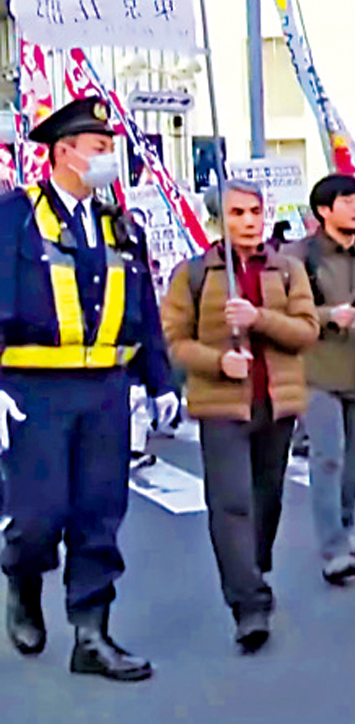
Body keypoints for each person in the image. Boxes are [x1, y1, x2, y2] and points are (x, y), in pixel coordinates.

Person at [0, 97, 176, 681]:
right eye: (99, 149)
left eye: (109, 149)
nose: (108, 159)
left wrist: (159, 381)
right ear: (62, 153)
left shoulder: (118, 224)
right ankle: (22, 581)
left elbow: (144, 308)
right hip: (33, 389)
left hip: (104, 388)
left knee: (100, 513)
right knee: (37, 515)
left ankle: (91, 634)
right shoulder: (13, 217)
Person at [161, 179, 319, 652]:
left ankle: (255, 568)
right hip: (221, 406)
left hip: (276, 401)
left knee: (266, 499)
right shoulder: (193, 274)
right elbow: (174, 341)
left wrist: (259, 319)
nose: (249, 222)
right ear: (217, 220)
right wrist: (217, 361)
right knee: (231, 504)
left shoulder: (288, 269)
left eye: (254, 212)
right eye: (237, 214)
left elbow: (307, 331)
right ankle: (248, 605)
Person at [281, 174, 355, 585]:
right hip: (318, 371)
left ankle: (346, 530)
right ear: (324, 211)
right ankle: (332, 550)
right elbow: (285, 309)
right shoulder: (298, 257)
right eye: (346, 201)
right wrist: (332, 316)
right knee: (327, 457)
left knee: (354, 462)